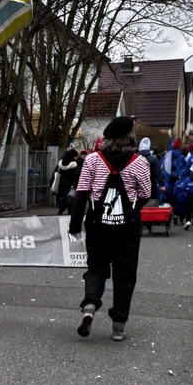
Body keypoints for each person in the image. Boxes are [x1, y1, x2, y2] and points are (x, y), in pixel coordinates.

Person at [68, 116, 151, 342]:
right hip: (127, 229)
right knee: (125, 276)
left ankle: (90, 304)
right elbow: (145, 193)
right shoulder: (140, 162)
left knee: (96, 268)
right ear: (130, 138)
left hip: (97, 226)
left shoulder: (93, 160)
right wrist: (131, 210)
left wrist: (75, 226)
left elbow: (81, 194)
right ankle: (118, 326)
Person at [54, 149, 80, 215]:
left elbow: (56, 173)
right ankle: (66, 214)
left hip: (61, 185)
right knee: (70, 201)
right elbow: (76, 175)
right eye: (76, 156)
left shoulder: (60, 163)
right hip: (70, 185)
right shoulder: (75, 164)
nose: (77, 158)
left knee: (65, 200)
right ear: (73, 156)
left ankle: (61, 212)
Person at [137, 137, 162, 205]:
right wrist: (161, 184)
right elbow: (158, 173)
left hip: (137, 188)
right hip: (151, 187)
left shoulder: (134, 159)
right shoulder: (153, 159)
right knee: (150, 206)